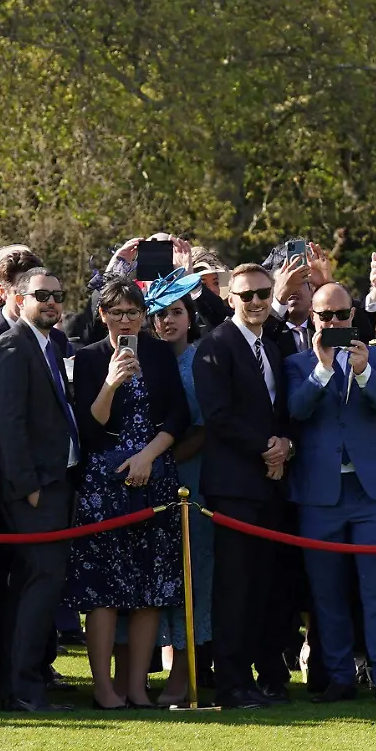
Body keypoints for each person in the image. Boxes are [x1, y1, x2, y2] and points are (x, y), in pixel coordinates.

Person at [284, 281, 376, 707]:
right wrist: (322, 368)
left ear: (354, 316)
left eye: (340, 315)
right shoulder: (298, 363)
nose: (333, 323)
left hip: (370, 492)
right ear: (313, 319)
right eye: (325, 317)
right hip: (320, 493)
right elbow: (296, 411)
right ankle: (339, 676)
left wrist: (363, 372)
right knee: (327, 591)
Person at [66, 278, 186, 710]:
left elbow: (178, 415)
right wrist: (112, 383)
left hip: (154, 473)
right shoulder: (87, 357)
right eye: (115, 312)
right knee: (103, 590)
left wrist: (149, 457)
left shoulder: (158, 353)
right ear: (102, 316)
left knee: (150, 588)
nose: (124, 320)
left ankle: (137, 686)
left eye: (133, 313)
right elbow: (87, 425)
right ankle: (104, 687)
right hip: (103, 482)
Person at [193, 263, 294, 709]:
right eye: (247, 294)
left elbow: (279, 413)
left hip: (271, 485)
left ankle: (260, 675)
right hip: (233, 486)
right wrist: (266, 449)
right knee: (234, 587)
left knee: (264, 586)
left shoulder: (272, 348)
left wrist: (284, 446)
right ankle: (232, 682)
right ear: (230, 298)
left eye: (263, 293)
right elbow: (217, 415)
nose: (256, 301)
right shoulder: (214, 346)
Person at [0, 267, 81, 712]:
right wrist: (28, 487)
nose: (51, 302)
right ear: (17, 299)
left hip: (59, 483)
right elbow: (9, 424)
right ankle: (22, 690)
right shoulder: (12, 346)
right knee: (36, 587)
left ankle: (22, 684)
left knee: (42, 588)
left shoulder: (54, 344)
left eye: (57, 296)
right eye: (41, 294)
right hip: (35, 492)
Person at [145, 270, 215, 704]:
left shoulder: (202, 362)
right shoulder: (145, 360)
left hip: (190, 482)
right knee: (156, 575)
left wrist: (164, 460)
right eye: (159, 314)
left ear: (190, 317)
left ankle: (186, 674)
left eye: (175, 313)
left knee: (193, 575)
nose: (167, 321)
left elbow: (205, 427)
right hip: (146, 485)